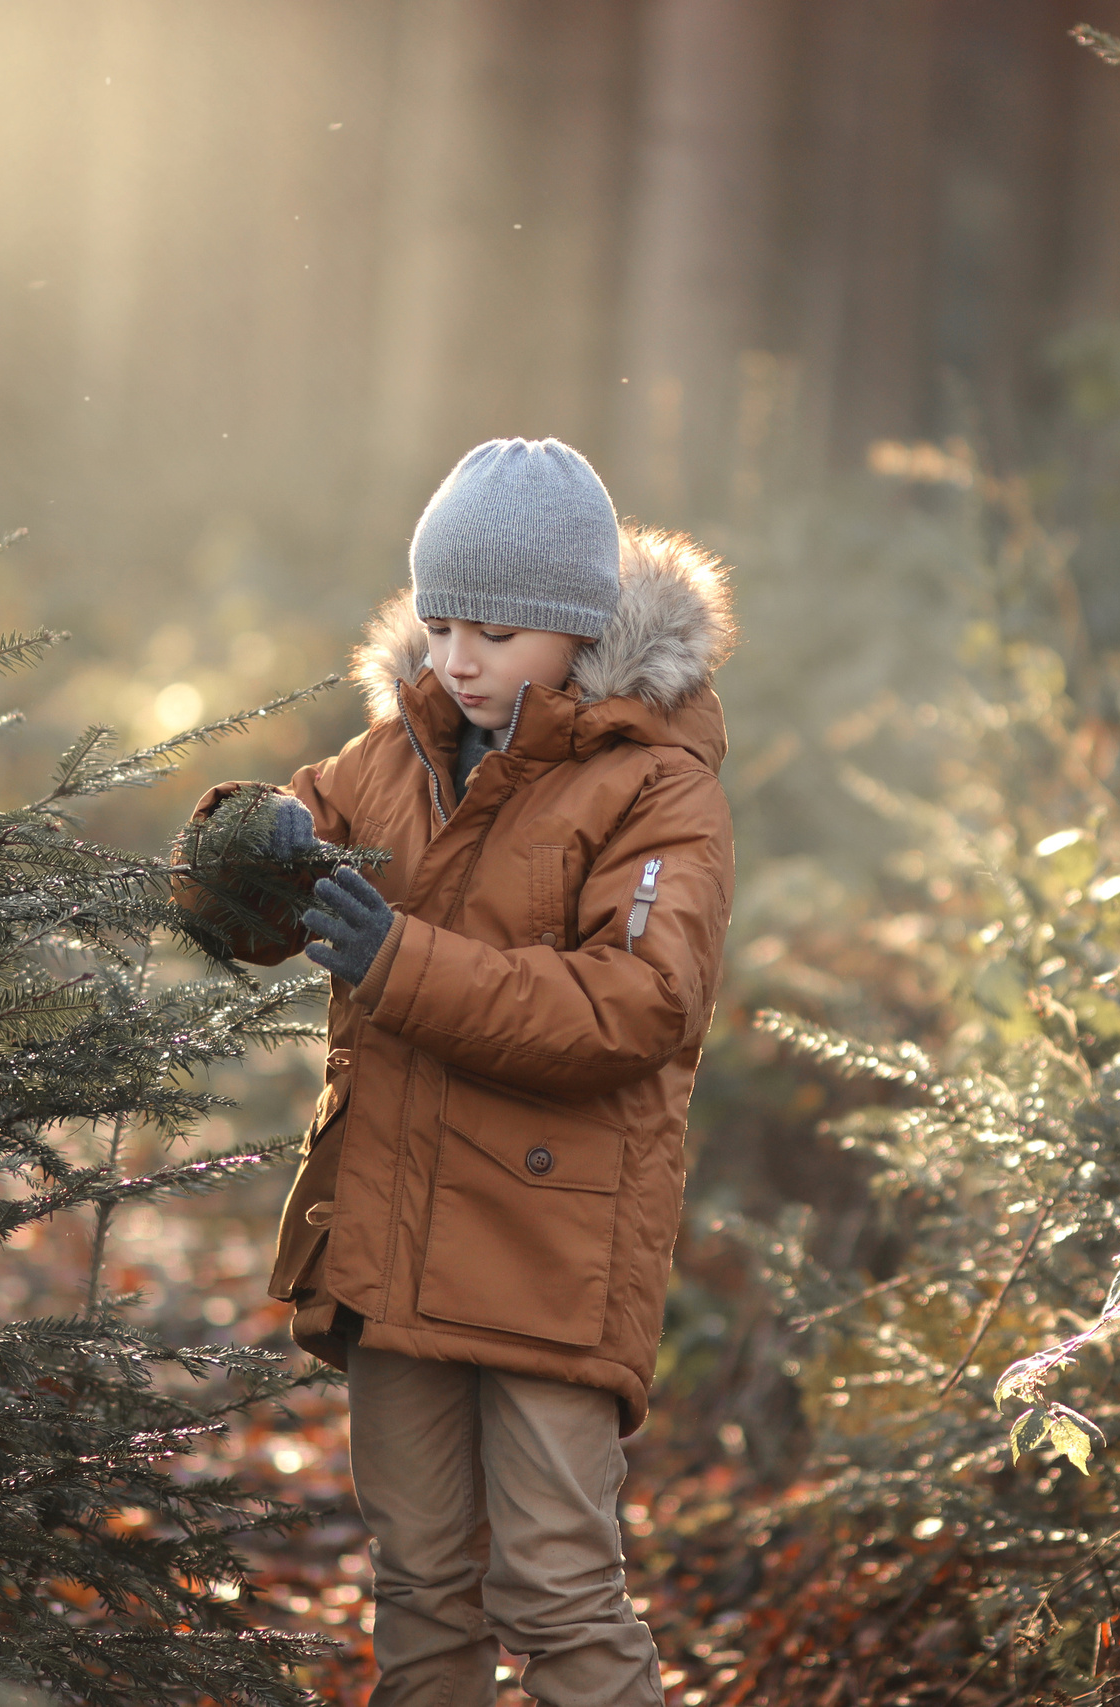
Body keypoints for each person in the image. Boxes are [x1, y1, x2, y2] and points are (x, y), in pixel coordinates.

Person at [174, 437, 735, 1706]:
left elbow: (637, 1007)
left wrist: (399, 963)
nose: (457, 658)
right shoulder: (394, 756)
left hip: (553, 1247)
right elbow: (276, 882)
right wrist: (232, 858)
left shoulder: (657, 789)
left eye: (492, 628)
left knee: (555, 1589)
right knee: (421, 1579)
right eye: (438, 623)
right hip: (391, 1232)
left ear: (575, 628)